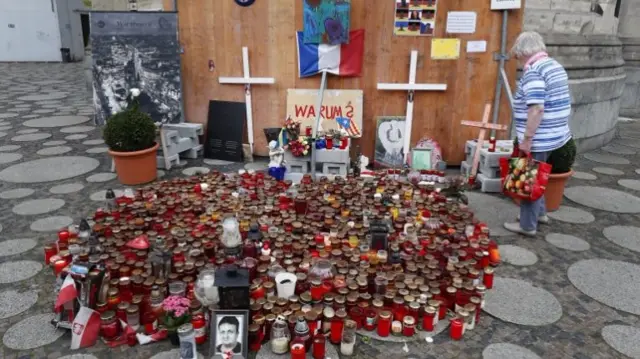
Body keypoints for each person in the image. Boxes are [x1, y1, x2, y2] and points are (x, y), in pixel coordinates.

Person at [503, 31, 572, 236]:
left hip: (539, 137)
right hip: (556, 135)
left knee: (528, 178)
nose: (518, 60)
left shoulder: (533, 71)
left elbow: (536, 109)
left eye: (517, 56)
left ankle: (527, 225)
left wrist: (527, 139)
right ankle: (540, 214)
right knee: (539, 175)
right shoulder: (554, 65)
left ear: (523, 52)